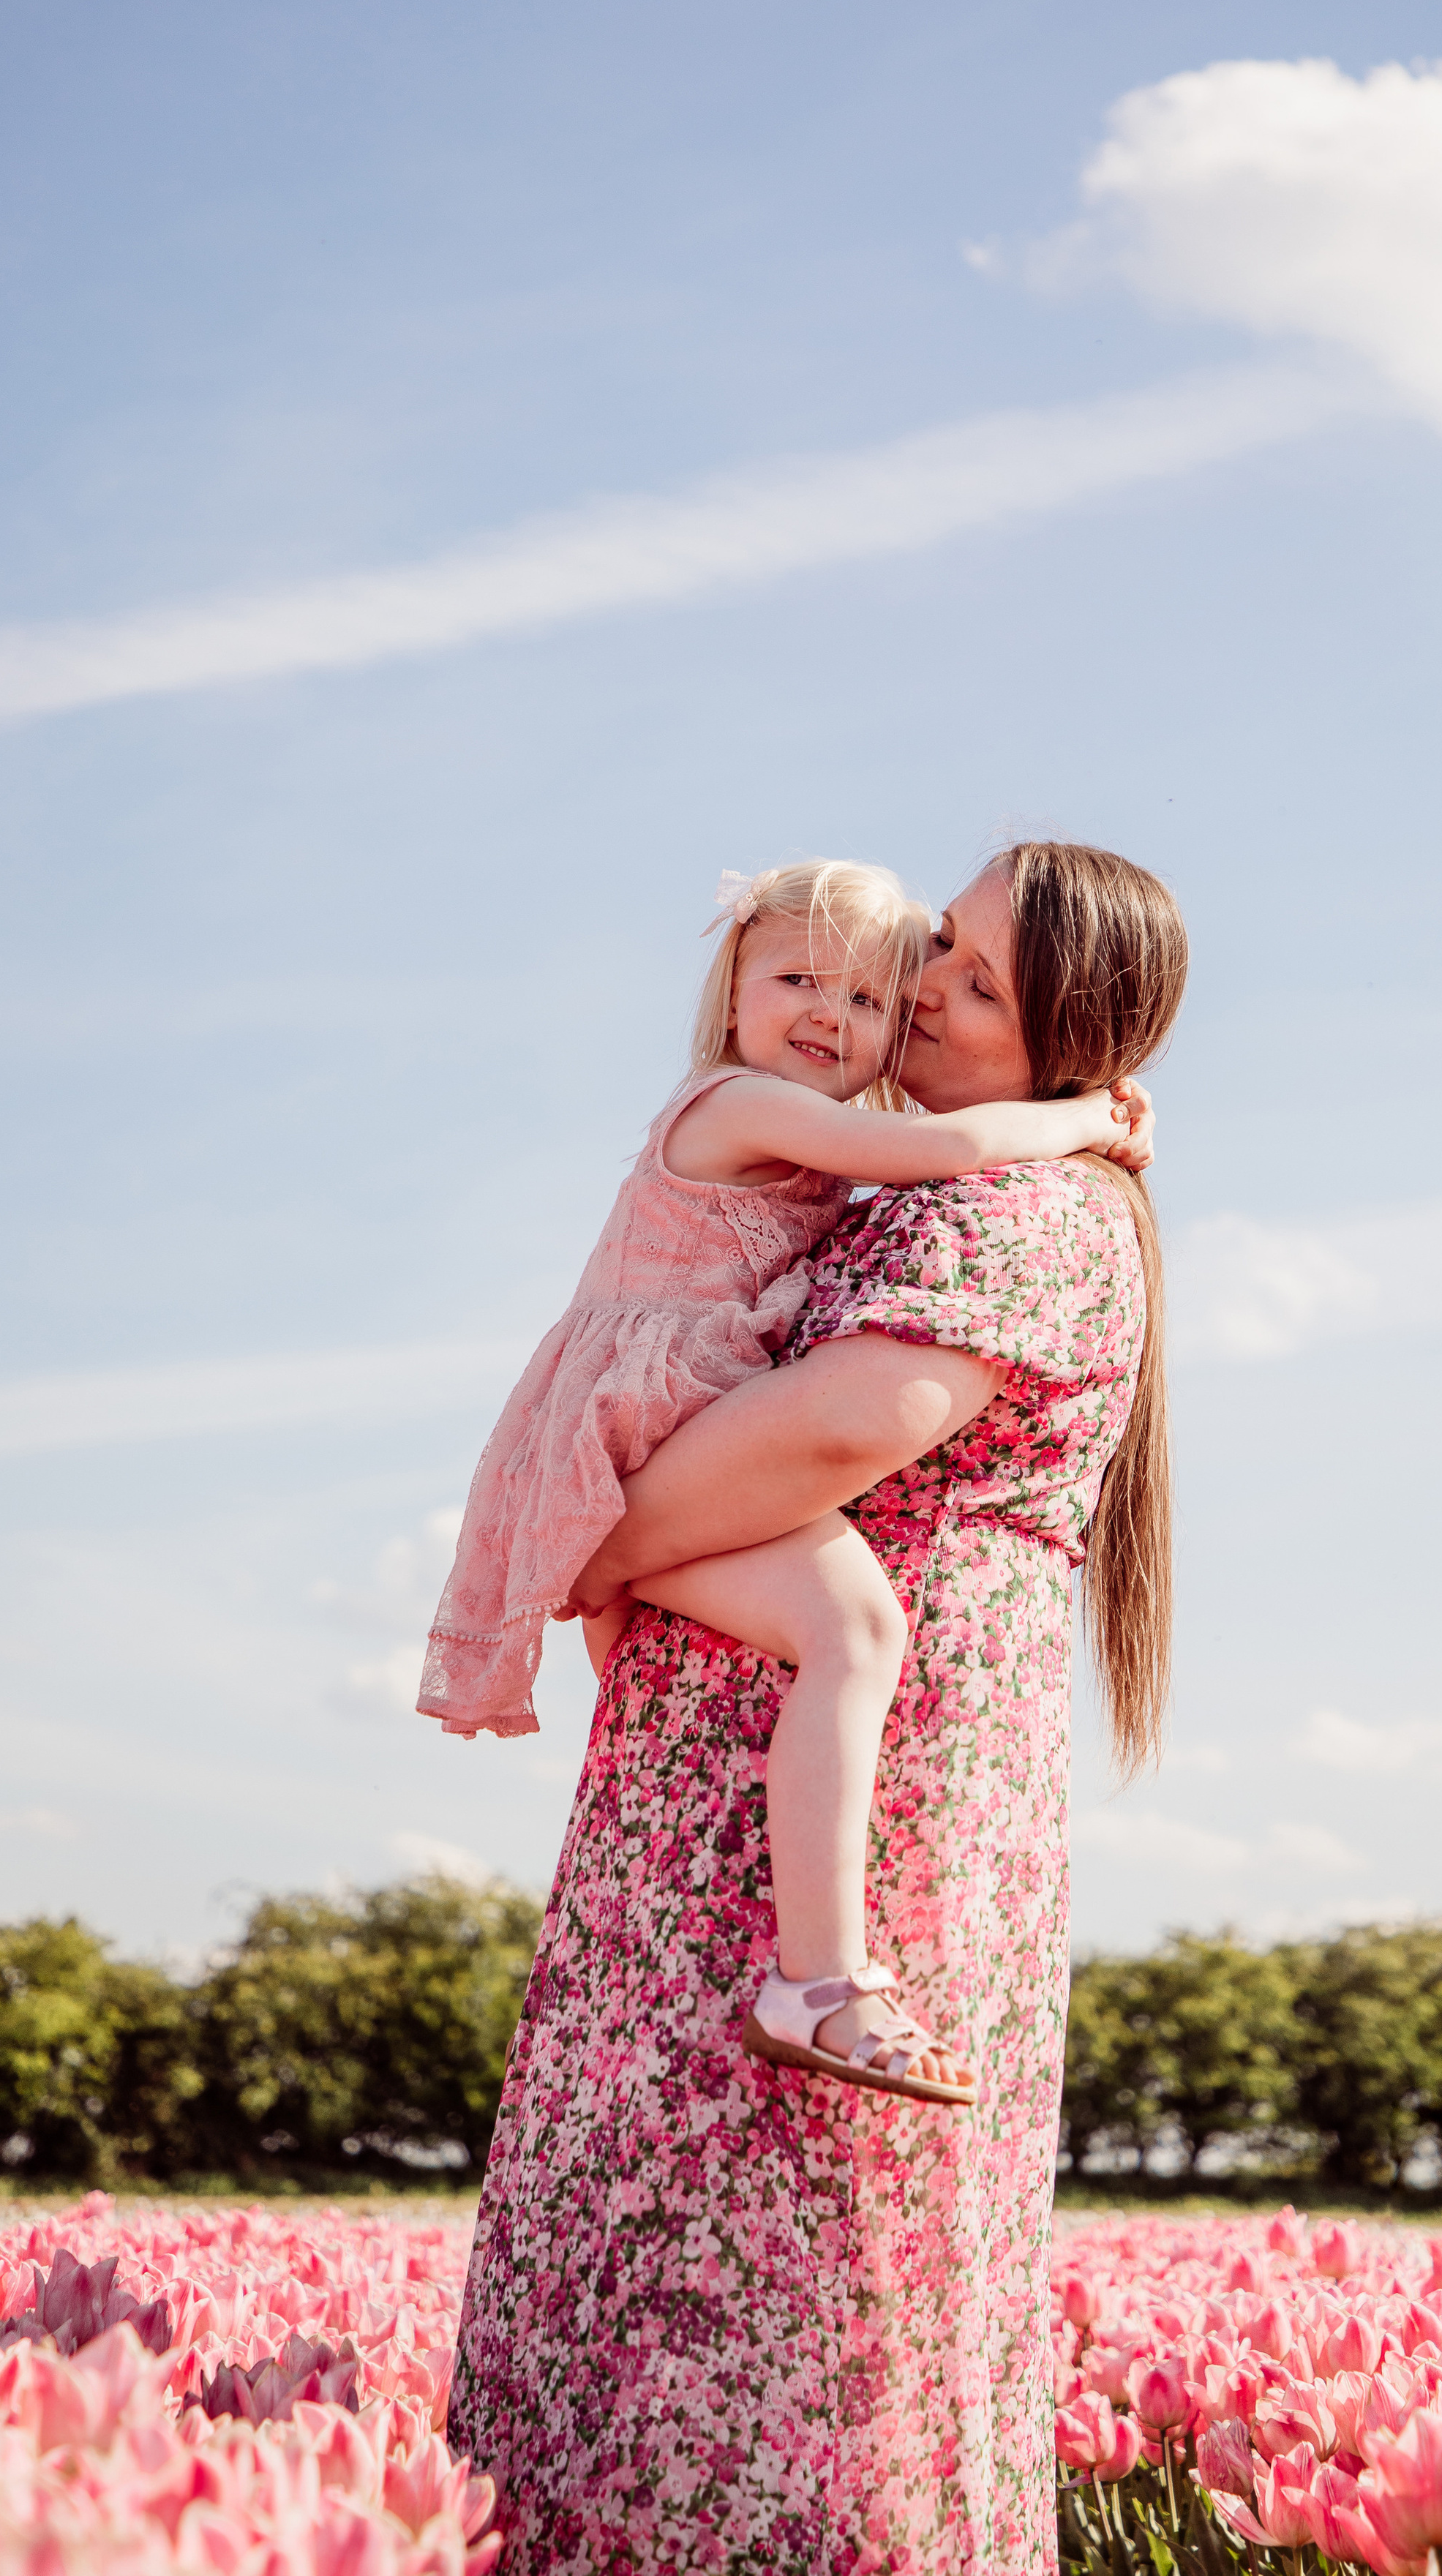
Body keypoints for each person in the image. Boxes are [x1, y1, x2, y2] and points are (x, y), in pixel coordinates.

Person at [448, 839, 1188, 2576]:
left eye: (974, 979)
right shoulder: (883, 1176)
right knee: (686, 2264)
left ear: (1067, 1041)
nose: (920, 984)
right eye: (936, 941)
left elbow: (823, 1440)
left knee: (787, 2287)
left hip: (852, 1823)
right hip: (755, 1804)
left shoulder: (1021, 1207)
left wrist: (563, 1548)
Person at [416, 855, 1149, 2107]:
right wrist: (1093, 1124)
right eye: (800, 977)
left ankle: (812, 1969)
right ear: (734, 978)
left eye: (876, 992)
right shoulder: (745, 1104)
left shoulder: (912, 1181)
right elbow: (956, 1145)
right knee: (852, 1629)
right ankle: (816, 1974)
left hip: (648, 1426)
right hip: (638, 1421)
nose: (853, 1010)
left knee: (831, 1633)